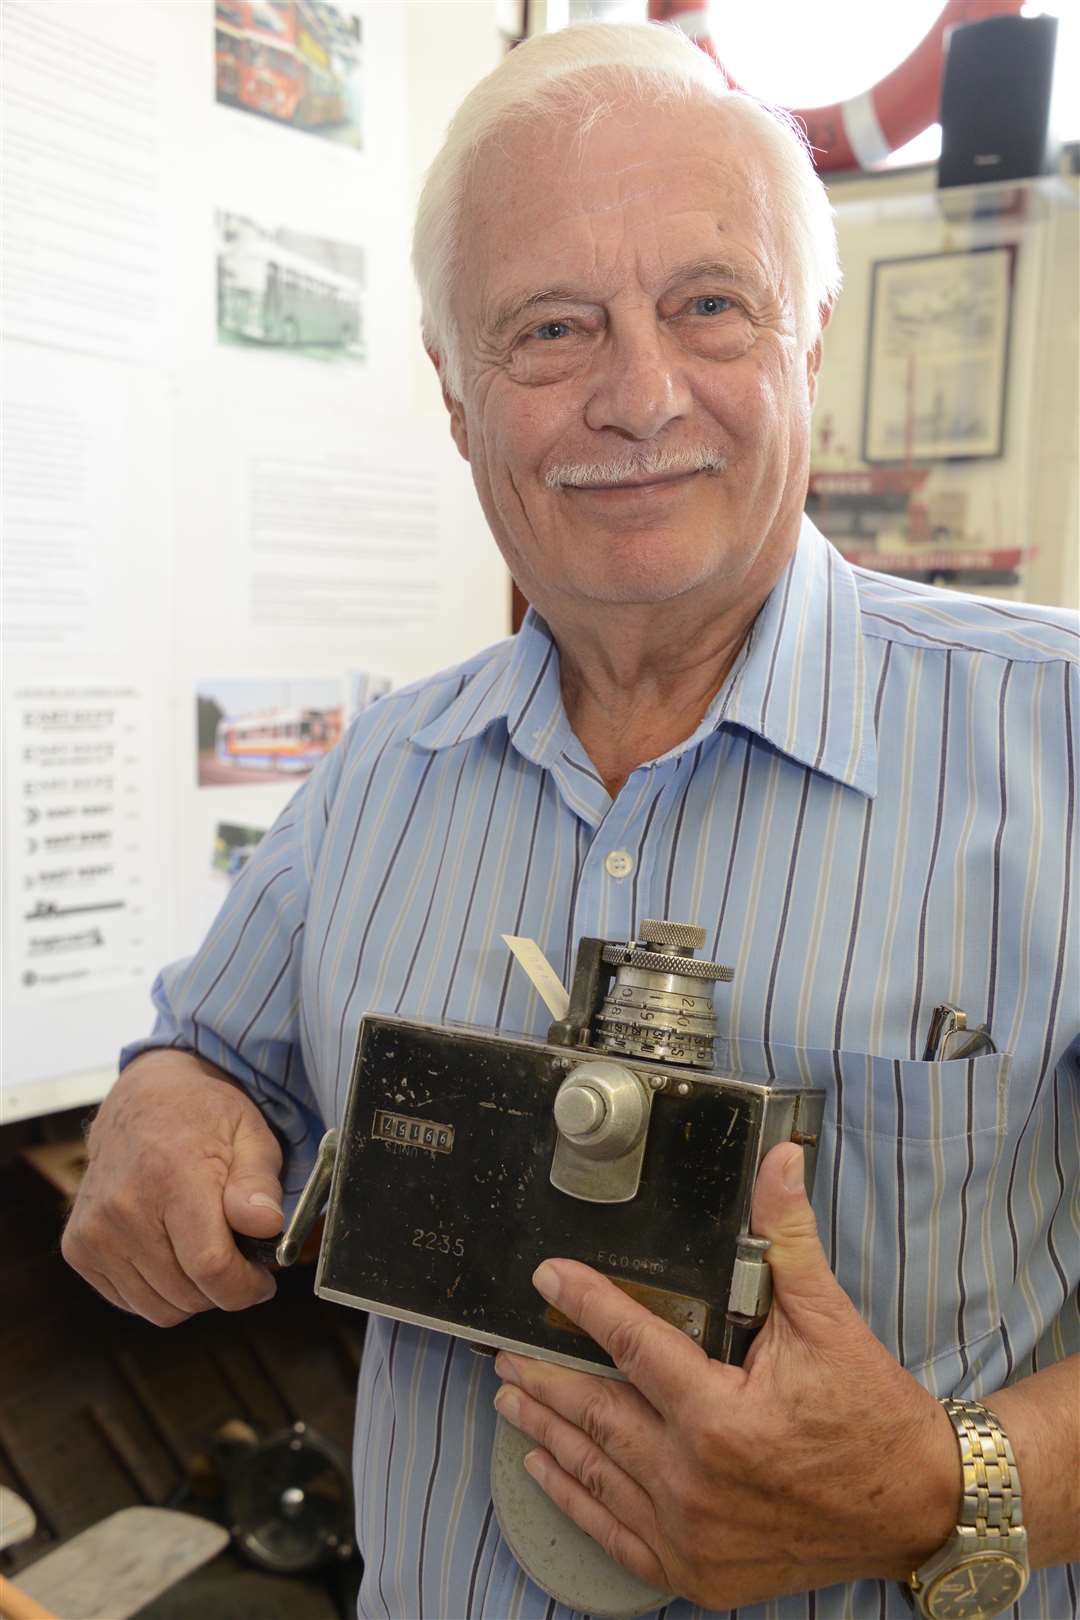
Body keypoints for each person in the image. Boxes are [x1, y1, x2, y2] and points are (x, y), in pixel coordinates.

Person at [62, 22, 1078, 1620]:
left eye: (707, 306)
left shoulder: (1059, 741)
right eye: (550, 331)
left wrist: (949, 1483)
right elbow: (210, 1060)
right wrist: (170, 1102)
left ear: (807, 339)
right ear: (459, 399)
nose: (639, 394)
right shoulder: (378, 772)